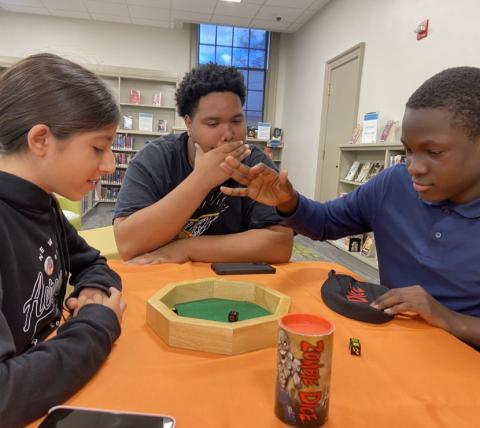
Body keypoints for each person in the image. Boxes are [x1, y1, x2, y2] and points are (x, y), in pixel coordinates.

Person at [220, 66, 480, 348]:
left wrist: (447, 318)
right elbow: (325, 222)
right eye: (408, 150)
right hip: (392, 343)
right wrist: (287, 200)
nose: (414, 167)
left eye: (434, 153)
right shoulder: (393, 185)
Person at [0, 53, 127, 427]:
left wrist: (92, 291)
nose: (110, 166)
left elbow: (93, 262)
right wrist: (97, 323)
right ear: (41, 139)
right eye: (98, 148)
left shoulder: (44, 203)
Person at [113, 63, 293, 264]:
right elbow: (128, 245)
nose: (228, 135)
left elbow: (280, 244)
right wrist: (201, 180)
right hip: (162, 281)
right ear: (189, 124)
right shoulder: (154, 159)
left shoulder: (254, 162)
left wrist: (187, 248)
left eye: (236, 121)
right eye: (213, 124)